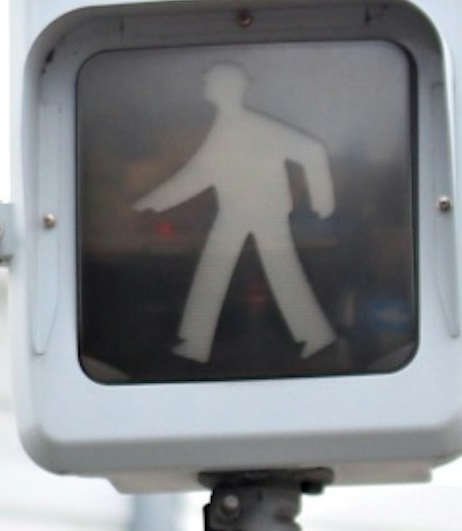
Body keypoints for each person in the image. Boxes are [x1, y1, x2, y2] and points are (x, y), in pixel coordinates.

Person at [132, 63, 338, 362]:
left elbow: (313, 150)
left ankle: (196, 342)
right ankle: (195, 342)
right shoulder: (227, 126)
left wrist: (323, 199)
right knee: (221, 272)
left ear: (225, 89)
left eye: (210, 83)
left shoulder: (252, 126)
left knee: (263, 273)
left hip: (262, 212)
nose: (205, 89)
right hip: (237, 211)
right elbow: (200, 174)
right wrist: (154, 201)